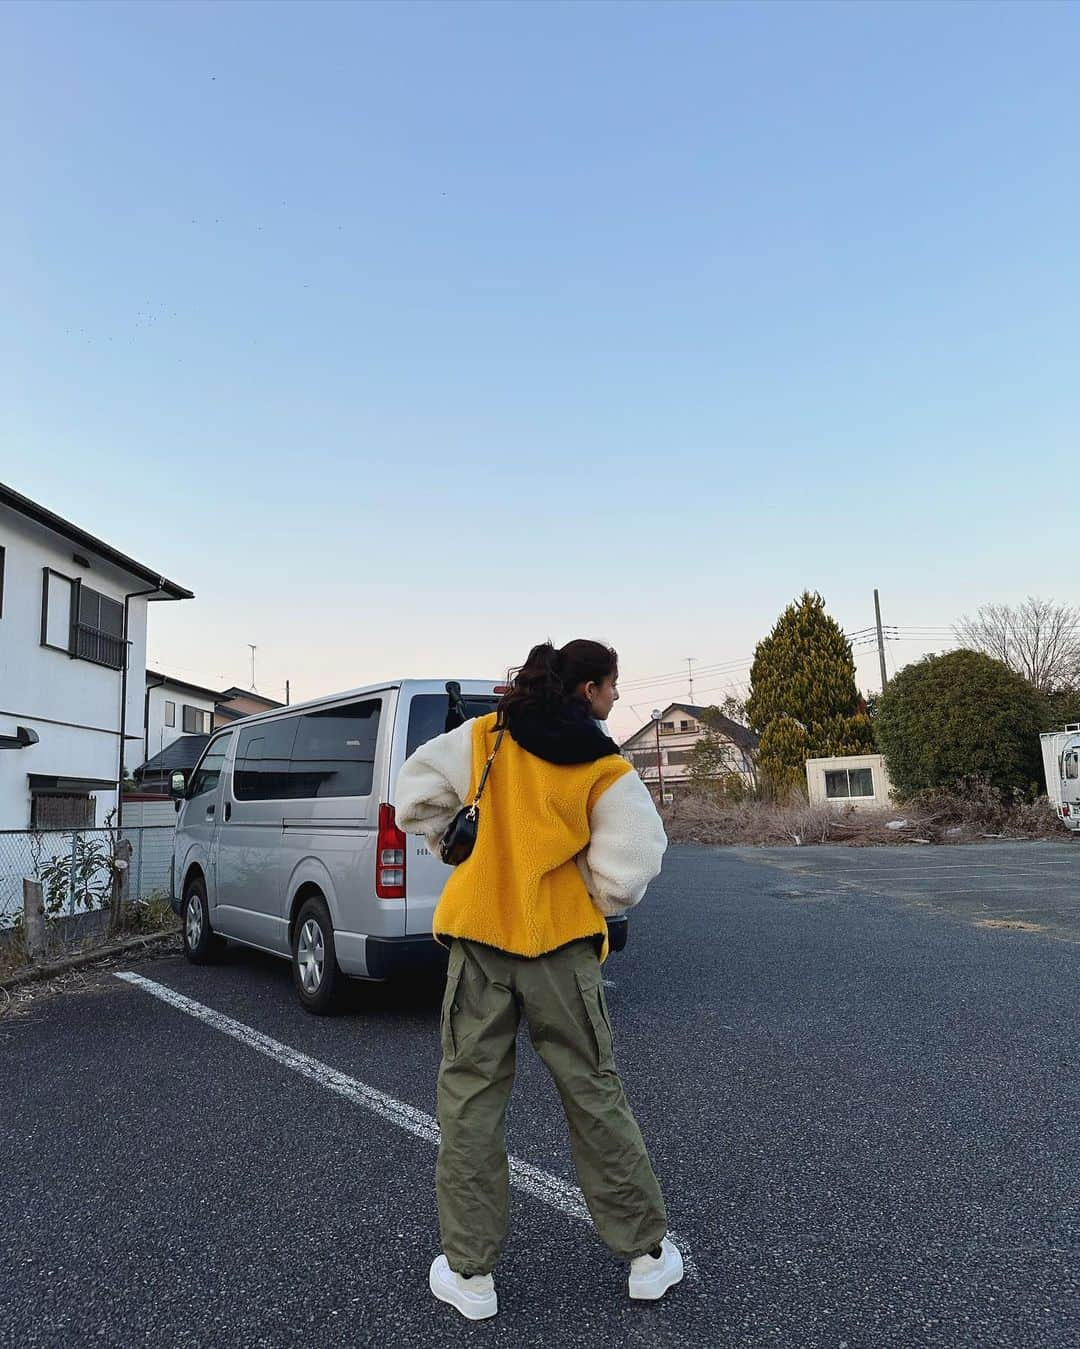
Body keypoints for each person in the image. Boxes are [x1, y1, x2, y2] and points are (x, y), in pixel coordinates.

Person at [395, 639, 681, 1321]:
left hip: (479, 939)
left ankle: (470, 1275)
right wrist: (589, 894)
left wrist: (450, 847)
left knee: (470, 1099)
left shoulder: (483, 736)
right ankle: (645, 1256)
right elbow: (638, 856)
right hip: (559, 947)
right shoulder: (603, 762)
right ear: (585, 688)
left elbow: (413, 795)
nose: (615, 697)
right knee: (592, 1090)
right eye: (612, 686)